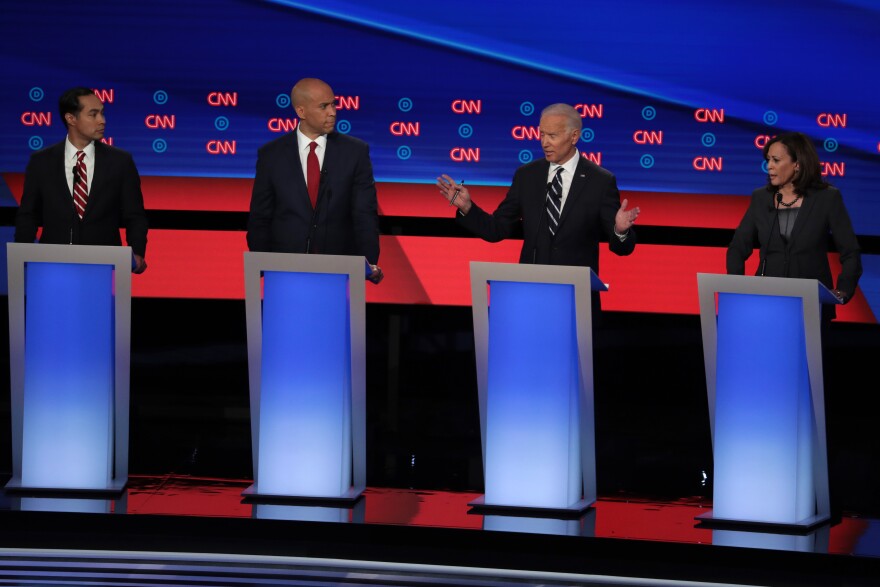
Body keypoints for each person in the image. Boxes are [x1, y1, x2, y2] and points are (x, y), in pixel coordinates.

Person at [436, 102, 639, 313]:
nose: (544, 143)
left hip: (576, 303)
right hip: (531, 297)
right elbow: (497, 229)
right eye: (541, 134)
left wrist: (620, 231)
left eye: (552, 135)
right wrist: (468, 208)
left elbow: (621, 248)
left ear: (574, 136)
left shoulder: (600, 181)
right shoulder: (527, 176)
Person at [247, 77, 383, 284]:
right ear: (301, 111)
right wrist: (263, 263)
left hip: (338, 270)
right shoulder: (271, 155)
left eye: (333, 104)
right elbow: (260, 217)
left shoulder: (355, 152)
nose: (333, 112)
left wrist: (368, 263)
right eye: (323, 106)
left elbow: (364, 214)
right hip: (284, 272)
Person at [727, 131, 862, 321]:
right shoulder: (761, 198)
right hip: (766, 302)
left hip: (811, 305)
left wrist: (843, 290)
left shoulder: (827, 198)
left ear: (797, 164)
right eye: (768, 160)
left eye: (776, 160)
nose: (769, 166)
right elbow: (738, 247)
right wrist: (736, 287)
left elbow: (850, 252)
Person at [14, 86, 148, 273]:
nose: (102, 120)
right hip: (51, 265)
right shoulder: (42, 162)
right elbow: (28, 215)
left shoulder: (120, 162)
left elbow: (134, 215)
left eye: (102, 113)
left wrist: (137, 251)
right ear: (71, 119)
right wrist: (22, 253)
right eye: (93, 114)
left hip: (103, 265)